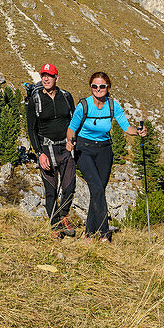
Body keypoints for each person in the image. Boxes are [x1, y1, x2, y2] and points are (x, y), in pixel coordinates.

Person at [66, 71, 147, 242]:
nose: (98, 89)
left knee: (98, 191)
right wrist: (70, 141)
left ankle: (89, 233)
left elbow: (126, 127)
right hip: (84, 149)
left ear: (108, 87)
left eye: (102, 86)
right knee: (96, 187)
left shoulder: (113, 106)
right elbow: (71, 128)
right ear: (91, 87)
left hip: (104, 150)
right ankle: (103, 233)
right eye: (94, 86)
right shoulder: (83, 106)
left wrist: (138, 131)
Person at [26, 63, 77, 240]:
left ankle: (63, 215)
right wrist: (39, 153)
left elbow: (74, 121)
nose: (46, 78)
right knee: (51, 191)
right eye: (43, 75)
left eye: (50, 75)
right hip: (46, 149)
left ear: (57, 77)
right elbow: (31, 129)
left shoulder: (66, 96)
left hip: (66, 147)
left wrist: (73, 140)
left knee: (70, 187)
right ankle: (55, 225)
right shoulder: (35, 99)